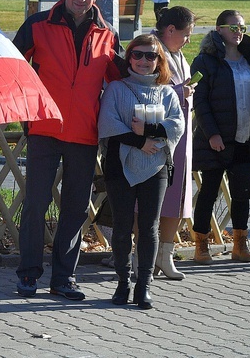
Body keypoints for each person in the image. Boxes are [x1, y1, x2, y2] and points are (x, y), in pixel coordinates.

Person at [13, 0, 124, 300]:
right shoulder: (38, 25)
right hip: (44, 128)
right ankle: (29, 274)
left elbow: (123, 81)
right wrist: (25, 111)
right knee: (35, 203)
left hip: (84, 133)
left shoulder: (107, 34)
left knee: (76, 208)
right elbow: (13, 65)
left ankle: (63, 278)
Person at [98, 34, 184, 309]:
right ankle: (123, 283)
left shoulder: (168, 92)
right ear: (129, 58)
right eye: (138, 55)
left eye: (151, 56)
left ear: (160, 61)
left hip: (156, 166)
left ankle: (144, 285)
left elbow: (177, 125)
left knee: (149, 227)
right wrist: (141, 142)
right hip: (119, 166)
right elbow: (108, 124)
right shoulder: (115, 89)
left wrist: (150, 134)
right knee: (122, 228)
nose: (144, 61)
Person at [190, 10, 250, 264]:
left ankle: (239, 243)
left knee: (242, 193)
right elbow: (199, 102)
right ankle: (201, 243)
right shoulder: (205, 61)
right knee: (209, 192)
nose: (238, 32)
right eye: (232, 27)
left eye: (242, 27)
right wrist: (211, 134)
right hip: (217, 140)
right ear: (218, 29)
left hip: (247, 138)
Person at [149, 6, 197, 280]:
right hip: (157, 136)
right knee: (152, 196)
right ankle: (144, 254)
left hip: (181, 136)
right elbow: (147, 88)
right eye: (186, 34)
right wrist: (180, 91)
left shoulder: (178, 55)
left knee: (177, 196)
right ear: (170, 31)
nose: (188, 40)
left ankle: (165, 255)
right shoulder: (151, 51)